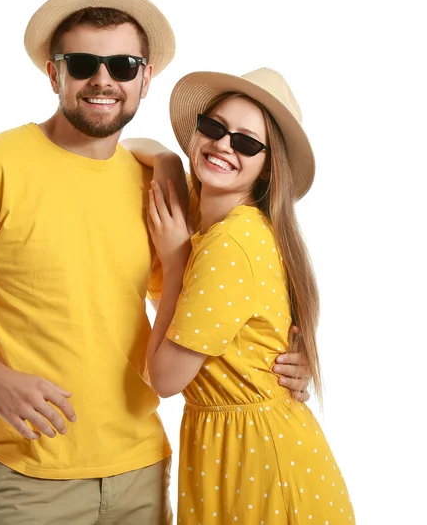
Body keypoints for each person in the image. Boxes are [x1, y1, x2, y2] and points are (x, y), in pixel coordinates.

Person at [0, 0, 311, 525]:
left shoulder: (150, 185)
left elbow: (195, 306)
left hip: (144, 470)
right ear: (54, 72)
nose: (103, 80)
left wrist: (287, 362)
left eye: (123, 66)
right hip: (31, 472)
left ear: (146, 78)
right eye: (83, 64)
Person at [143, 67, 355, 523]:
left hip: (261, 466)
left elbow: (164, 379)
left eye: (246, 142)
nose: (223, 145)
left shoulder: (228, 244)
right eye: (214, 128)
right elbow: (132, 147)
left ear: (266, 167)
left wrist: (176, 263)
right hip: (239, 453)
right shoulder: (215, 225)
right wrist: (166, 159)